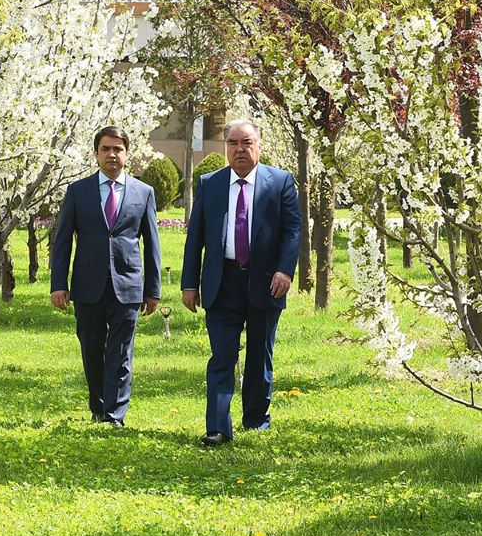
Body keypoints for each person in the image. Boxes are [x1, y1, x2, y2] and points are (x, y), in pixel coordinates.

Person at [181, 119, 301, 447]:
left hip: (266, 281)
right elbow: (195, 239)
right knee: (222, 356)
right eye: (232, 143)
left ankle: (256, 419)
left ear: (258, 146)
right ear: (226, 148)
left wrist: (285, 270)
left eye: (246, 142)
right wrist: (189, 283)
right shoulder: (210, 183)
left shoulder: (280, 182)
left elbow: (293, 230)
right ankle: (218, 427)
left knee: (260, 355)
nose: (239, 149)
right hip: (222, 282)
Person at [51, 126, 161, 426]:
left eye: (118, 149)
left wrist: (153, 290)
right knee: (92, 349)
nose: (112, 154)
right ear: (96, 154)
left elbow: (152, 244)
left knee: (121, 352)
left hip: (128, 284)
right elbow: (62, 241)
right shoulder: (78, 191)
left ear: (127, 153)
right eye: (106, 149)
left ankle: (115, 414)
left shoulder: (143, 192)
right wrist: (58, 284)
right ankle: (99, 408)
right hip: (88, 286)